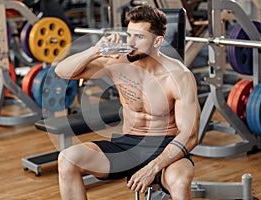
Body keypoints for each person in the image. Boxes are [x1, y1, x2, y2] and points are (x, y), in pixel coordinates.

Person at [55, 4, 200, 200]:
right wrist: (95, 51)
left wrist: (152, 168)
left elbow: (189, 136)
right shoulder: (117, 62)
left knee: (180, 182)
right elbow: (61, 71)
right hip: (127, 145)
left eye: (139, 37)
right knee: (67, 159)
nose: (130, 42)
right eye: (129, 34)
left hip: (166, 147)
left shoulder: (179, 76)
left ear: (158, 41)